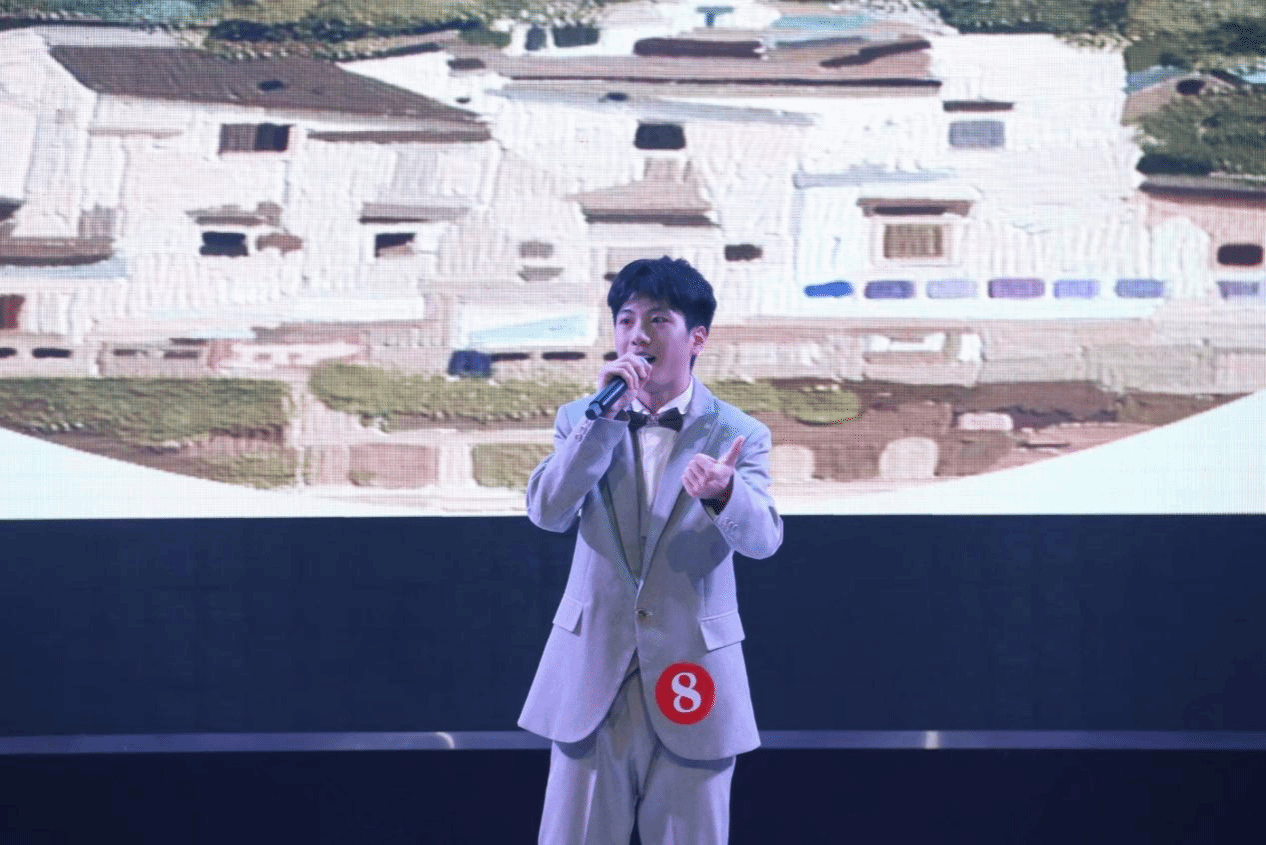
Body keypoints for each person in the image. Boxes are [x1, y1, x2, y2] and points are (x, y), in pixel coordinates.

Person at [519, 256, 784, 844]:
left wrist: (725, 493)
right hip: (593, 673)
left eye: (658, 319)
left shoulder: (739, 432)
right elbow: (547, 511)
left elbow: (763, 540)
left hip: (694, 677)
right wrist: (602, 423)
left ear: (697, 338)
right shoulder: (580, 419)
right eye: (626, 319)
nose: (637, 335)